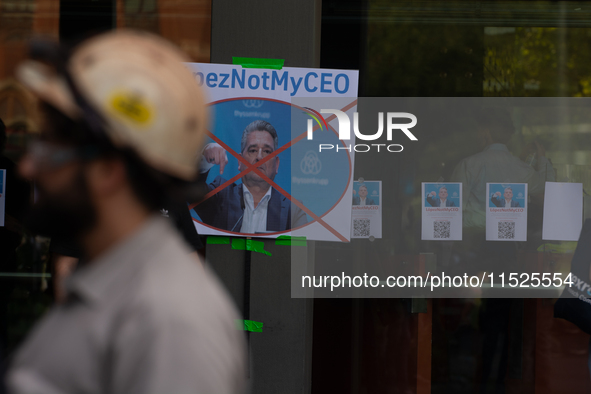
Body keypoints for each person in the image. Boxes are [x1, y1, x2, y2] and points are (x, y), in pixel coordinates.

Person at [7, 31, 246, 394]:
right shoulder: (118, 292)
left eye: (50, 146)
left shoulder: (169, 322)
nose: (27, 168)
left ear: (108, 171)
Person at [194, 119, 308, 233]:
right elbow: (190, 189)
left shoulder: (293, 211)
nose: (259, 157)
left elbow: (302, 249)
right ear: (240, 161)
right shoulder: (221, 195)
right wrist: (205, 157)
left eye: (267, 151)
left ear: (276, 164)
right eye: (253, 150)